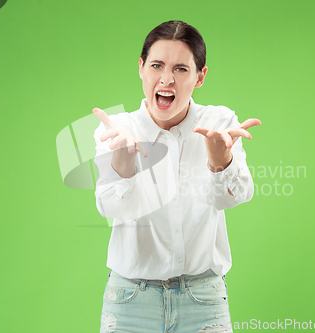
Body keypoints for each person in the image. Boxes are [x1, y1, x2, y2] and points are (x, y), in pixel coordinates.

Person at [92, 20, 261, 333]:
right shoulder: (117, 129)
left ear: (200, 76)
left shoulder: (220, 121)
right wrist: (122, 162)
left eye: (181, 69)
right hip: (129, 302)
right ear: (141, 68)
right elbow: (110, 209)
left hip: (203, 300)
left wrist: (220, 160)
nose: (166, 79)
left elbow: (235, 197)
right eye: (157, 65)